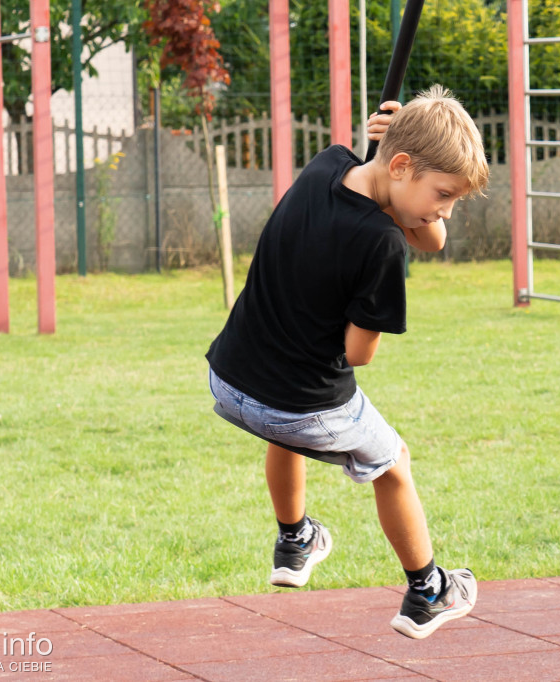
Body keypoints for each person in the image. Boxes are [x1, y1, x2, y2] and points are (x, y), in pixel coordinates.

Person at [206, 85, 489, 640]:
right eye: (444, 193)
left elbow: (427, 234)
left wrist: (384, 151)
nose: (445, 211)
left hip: (230, 379)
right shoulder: (383, 243)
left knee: (285, 424)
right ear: (404, 165)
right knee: (393, 463)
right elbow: (358, 352)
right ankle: (429, 590)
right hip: (296, 405)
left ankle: (294, 539)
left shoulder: (327, 164)